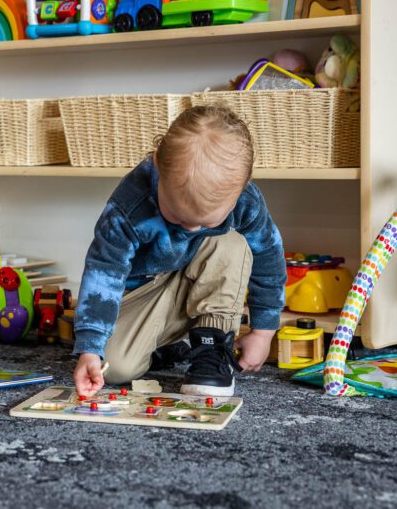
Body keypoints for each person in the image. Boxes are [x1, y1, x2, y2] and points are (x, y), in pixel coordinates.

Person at [72, 105, 286, 398]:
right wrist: (90, 348)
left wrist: (263, 333)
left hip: (203, 281)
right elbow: (103, 274)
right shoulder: (130, 206)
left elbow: (269, 259)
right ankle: (176, 346)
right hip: (144, 294)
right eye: (178, 216)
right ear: (158, 165)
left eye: (207, 221)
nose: (192, 229)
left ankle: (212, 345)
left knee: (229, 243)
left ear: (243, 187)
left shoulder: (246, 201)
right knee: (116, 369)